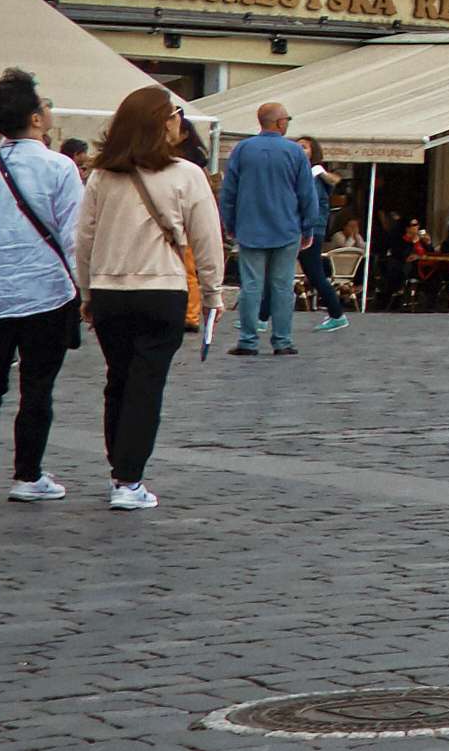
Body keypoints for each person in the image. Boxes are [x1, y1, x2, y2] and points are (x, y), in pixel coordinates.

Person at [72, 84, 223, 512]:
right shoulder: (187, 175)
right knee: (146, 384)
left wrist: (86, 290)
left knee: (118, 380)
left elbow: (84, 239)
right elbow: (206, 239)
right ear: (161, 123)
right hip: (161, 289)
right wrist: (212, 294)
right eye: (175, 115)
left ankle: (118, 467)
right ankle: (129, 478)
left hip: (109, 290)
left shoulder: (102, 175)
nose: (181, 123)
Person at [0, 67, 85, 502]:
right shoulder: (60, 166)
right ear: (36, 118)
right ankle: (28, 475)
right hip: (48, 290)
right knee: (37, 384)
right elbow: (73, 234)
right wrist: (84, 288)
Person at [216, 100, 320, 360]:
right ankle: (282, 340)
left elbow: (229, 191)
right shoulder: (294, 152)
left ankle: (248, 340)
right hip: (286, 227)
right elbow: (307, 193)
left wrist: (229, 223)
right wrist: (309, 226)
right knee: (282, 286)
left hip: (250, 227)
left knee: (251, 285)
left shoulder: (243, 150)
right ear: (280, 122)